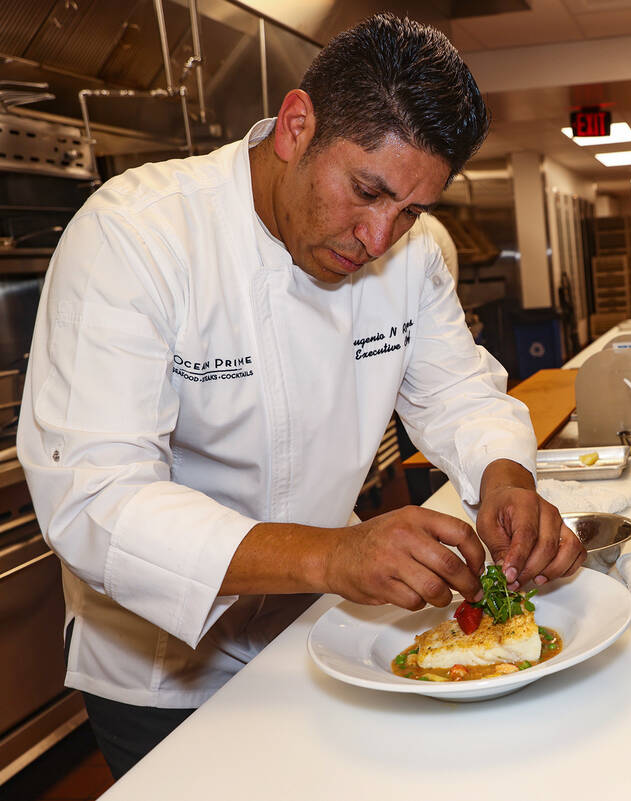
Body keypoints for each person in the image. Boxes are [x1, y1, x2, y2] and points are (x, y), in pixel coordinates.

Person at [16, 14, 584, 779]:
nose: (379, 238)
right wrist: (334, 552)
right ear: (294, 126)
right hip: (164, 667)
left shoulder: (409, 258)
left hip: (321, 635)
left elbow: (458, 392)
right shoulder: (136, 237)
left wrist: (505, 476)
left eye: (411, 210)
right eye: (366, 190)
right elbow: (96, 500)